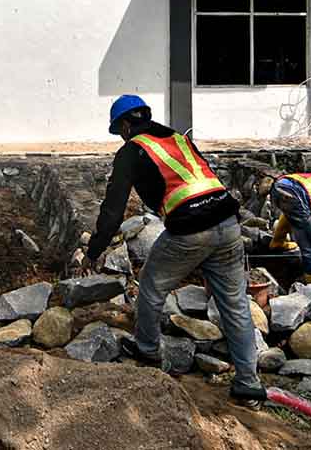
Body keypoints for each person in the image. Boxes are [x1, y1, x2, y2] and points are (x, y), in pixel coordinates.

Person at [85, 95, 265, 408]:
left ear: (125, 125)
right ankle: (249, 386)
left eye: (120, 130)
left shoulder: (131, 150)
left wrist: (93, 251)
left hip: (188, 231)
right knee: (235, 304)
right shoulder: (179, 139)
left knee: (152, 289)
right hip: (228, 223)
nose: (122, 136)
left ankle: (149, 352)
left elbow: (113, 211)